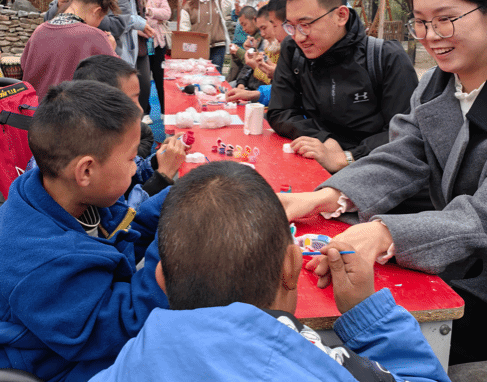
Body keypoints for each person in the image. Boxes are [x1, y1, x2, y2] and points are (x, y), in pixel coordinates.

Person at [278, 0, 487, 365]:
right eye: (421, 21)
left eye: (445, 19)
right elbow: (403, 154)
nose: (431, 35)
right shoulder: (437, 85)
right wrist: (326, 197)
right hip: (453, 261)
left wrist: (386, 233)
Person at [88, 161, 449, 382]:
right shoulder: (320, 365)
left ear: (161, 278)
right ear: (291, 267)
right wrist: (368, 314)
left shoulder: (122, 365)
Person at [0, 81, 170, 382]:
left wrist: (179, 198)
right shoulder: (43, 262)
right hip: (56, 365)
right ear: (86, 171)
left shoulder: (71, 197)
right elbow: (122, 323)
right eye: (130, 159)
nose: (136, 168)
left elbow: (123, 234)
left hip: (84, 322)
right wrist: (175, 247)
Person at [267, 0, 419, 176]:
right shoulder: (293, 50)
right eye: (291, 26)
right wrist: (324, 139)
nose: (299, 36)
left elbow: (405, 132)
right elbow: (279, 111)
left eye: (306, 24)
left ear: (341, 15)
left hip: (374, 172)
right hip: (314, 164)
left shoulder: (386, 57)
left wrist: (349, 157)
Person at [73, 56, 186, 188]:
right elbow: (127, 201)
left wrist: (158, 159)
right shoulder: (98, 153)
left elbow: (135, 172)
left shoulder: (117, 139)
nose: (140, 109)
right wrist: (163, 176)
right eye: (131, 102)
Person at [21, 0, 119, 98]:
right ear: (96, 11)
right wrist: (111, 49)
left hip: (34, 108)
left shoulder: (39, 30)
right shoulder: (95, 36)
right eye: (101, 18)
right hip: (70, 109)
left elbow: (24, 66)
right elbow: (119, 79)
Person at [217, 0, 276, 81]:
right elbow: (235, 18)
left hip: (256, 45)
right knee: (230, 77)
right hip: (239, 41)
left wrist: (264, 7)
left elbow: (273, 20)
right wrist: (236, 12)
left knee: (250, 76)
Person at [179, 0, 232, 74]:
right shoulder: (189, 6)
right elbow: (184, 29)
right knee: (197, 76)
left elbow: (230, 2)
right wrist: (187, 50)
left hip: (217, 47)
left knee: (215, 76)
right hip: (196, 48)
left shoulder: (218, 3)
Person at [141, 0, 171, 117]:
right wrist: (155, 18)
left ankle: (165, 111)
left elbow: (167, 13)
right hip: (141, 40)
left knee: (160, 76)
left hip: (158, 41)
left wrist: (149, 11)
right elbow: (135, 16)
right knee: (143, 77)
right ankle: (145, 112)